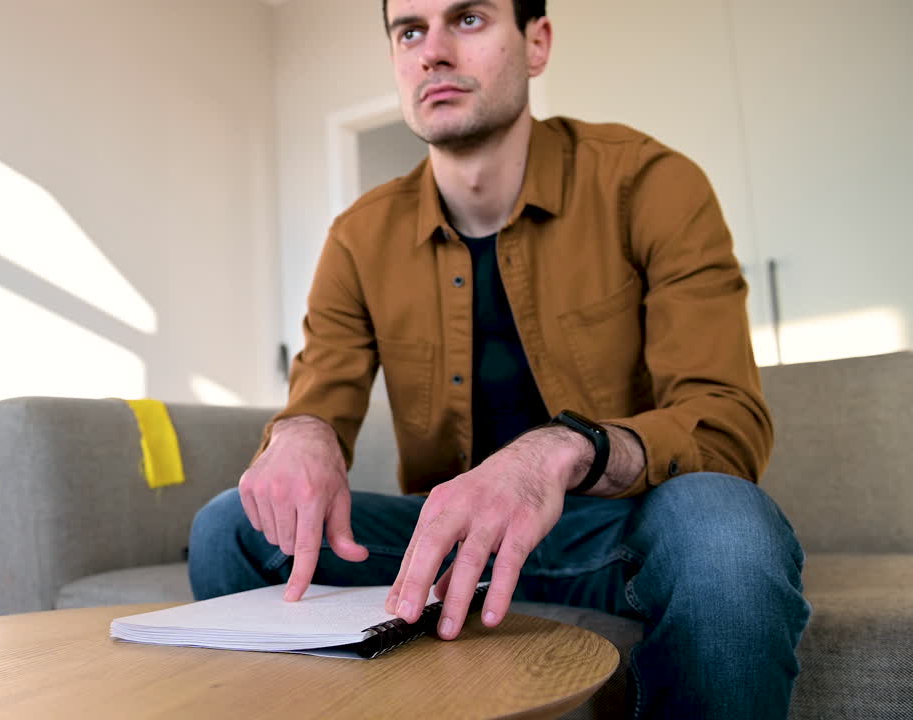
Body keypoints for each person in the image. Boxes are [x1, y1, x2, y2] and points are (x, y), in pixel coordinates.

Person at [188, 1, 810, 717]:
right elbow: (318, 400)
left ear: (537, 43)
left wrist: (561, 450)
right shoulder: (358, 238)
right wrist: (301, 433)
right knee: (228, 525)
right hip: (441, 543)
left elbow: (726, 425)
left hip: (615, 537)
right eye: (410, 31)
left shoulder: (651, 183)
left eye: (470, 19)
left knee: (726, 527)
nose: (434, 52)